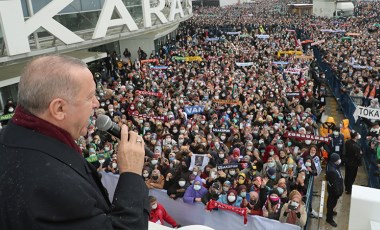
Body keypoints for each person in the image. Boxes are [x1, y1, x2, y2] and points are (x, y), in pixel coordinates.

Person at [0, 55, 149, 229]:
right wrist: (131, 174)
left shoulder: (9, 137)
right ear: (59, 108)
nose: (96, 103)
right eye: (89, 97)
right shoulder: (55, 185)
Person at [326, 153, 344, 227]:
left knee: (331, 203)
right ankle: (329, 218)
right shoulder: (332, 170)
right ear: (334, 161)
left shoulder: (332, 165)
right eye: (338, 159)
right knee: (331, 203)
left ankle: (330, 212)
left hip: (333, 190)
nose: (339, 160)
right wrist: (338, 193)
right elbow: (335, 183)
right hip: (333, 191)